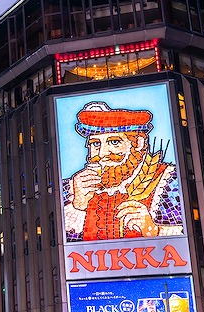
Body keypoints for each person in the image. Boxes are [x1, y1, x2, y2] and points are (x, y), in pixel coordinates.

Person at [62, 101, 184, 242]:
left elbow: (195, 233)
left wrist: (155, 230)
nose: (102, 153)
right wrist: (78, 206)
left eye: (114, 142)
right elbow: (55, 245)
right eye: (95, 144)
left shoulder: (170, 181)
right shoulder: (70, 189)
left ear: (139, 143)